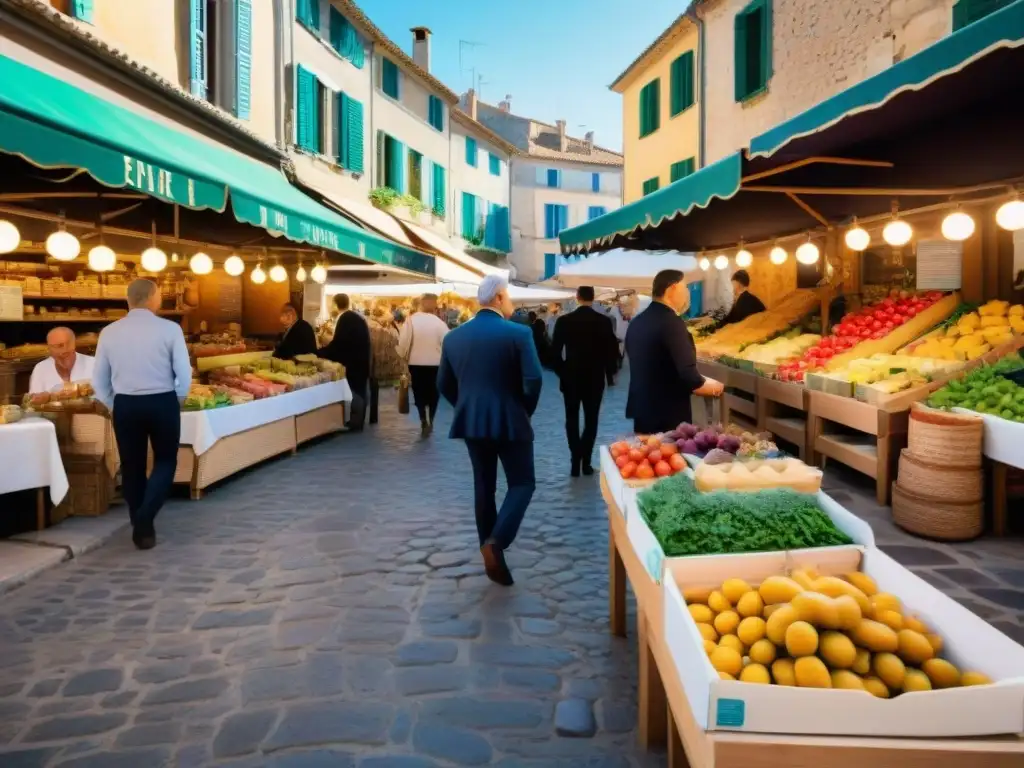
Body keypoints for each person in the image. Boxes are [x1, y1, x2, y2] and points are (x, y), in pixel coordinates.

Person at [437, 275, 542, 586]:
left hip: (472, 422)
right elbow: (534, 380)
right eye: (507, 296)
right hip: (511, 419)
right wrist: (524, 409)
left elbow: (443, 384)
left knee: (483, 485)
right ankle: (495, 544)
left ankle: (490, 551)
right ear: (498, 297)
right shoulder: (518, 334)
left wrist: (465, 404)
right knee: (522, 483)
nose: (510, 302)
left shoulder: (454, 338)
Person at [92, 279, 191, 550]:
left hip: (126, 404)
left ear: (128, 300)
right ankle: (145, 518)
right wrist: (179, 396)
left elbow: (98, 380)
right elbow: (183, 371)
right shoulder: (170, 329)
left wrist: (113, 402)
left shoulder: (109, 332)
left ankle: (141, 525)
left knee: (132, 465)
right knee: (166, 461)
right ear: (153, 298)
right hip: (162, 400)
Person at [625, 270, 723, 434]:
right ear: (671, 289)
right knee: (669, 457)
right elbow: (687, 373)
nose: (687, 295)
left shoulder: (637, 322)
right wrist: (712, 386)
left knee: (647, 457)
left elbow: (655, 363)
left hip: (642, 412)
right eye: (684, 289)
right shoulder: (672, 323)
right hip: (668, 416)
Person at [550, 286, 619, 477]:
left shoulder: (564, 321)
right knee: (591, 421)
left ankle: (575, 460)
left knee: (571, 419)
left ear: (577, 297)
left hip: (571, 377)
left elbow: (554, 353)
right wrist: (609, 372)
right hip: (594, 378)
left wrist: (562, 371)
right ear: (593, 297)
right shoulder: (603, 322)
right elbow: (612, 351)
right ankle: (586, 462)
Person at [396, 293, 449, 436]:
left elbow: (403, 342)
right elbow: (447, 343)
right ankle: (431, 417)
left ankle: (422, 419)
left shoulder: (411, 321)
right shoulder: (439, 323)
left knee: (419, 392)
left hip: (415, 362)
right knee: (433, 392)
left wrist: (402, 357)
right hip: (435, 363)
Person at [320, 294, 371, 430]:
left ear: (336, 304)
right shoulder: (356, 317)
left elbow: (339, 343)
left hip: (354, 362)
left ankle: (356, 422)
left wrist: (321, 352)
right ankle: (358, 421)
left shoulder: (345, 319)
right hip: (361, 360)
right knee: (359, 389)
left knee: (355, 390)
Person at [367, 303, 407, 425]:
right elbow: (393, 345)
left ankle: (372, 417)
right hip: (376, 364)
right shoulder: (377, 329)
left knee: (374, 389)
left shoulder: (371, 325)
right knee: (373, 389)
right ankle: (372, 417)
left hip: (372, 363)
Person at [28, 327, 95, 393]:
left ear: (74, 344)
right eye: (58, 346)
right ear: (49, 349)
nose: (64, 351)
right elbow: (33, 401)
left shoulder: (95, 364)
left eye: (68, 344)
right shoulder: (40, 369)